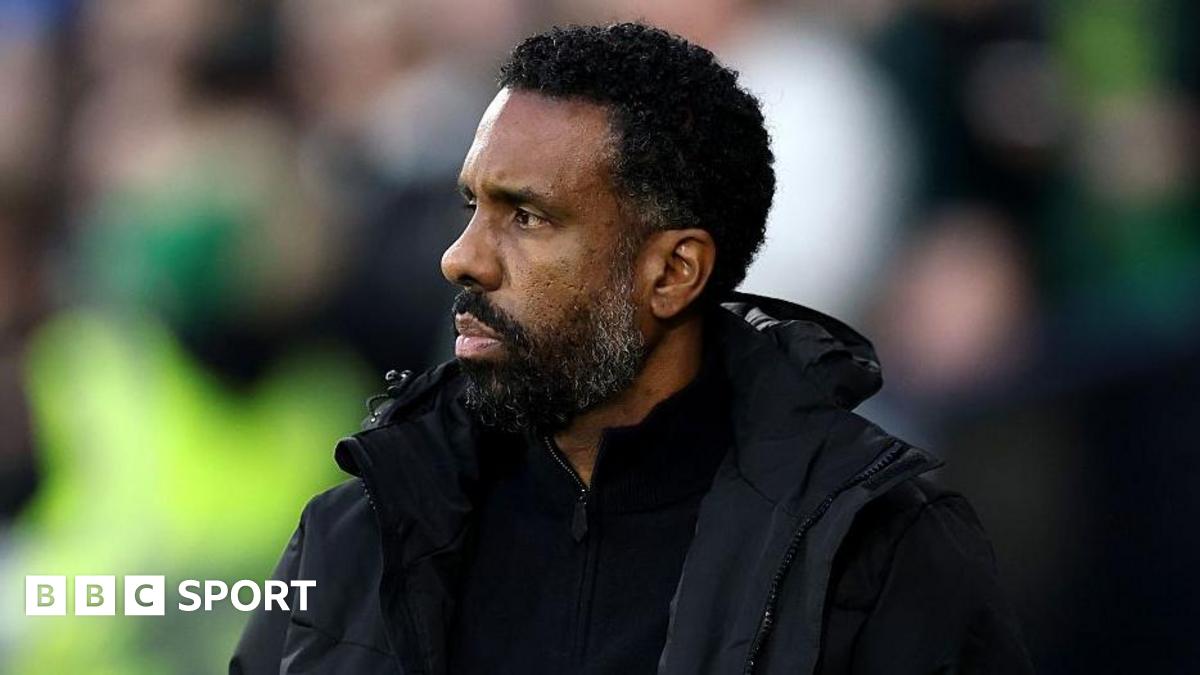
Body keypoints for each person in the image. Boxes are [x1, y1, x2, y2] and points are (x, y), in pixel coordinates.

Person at [230, 23, 1032, 675]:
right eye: (473, 204)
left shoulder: (874, 551)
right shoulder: (361, 530)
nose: (461, 257)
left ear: (673, 272)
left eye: (528, 217)